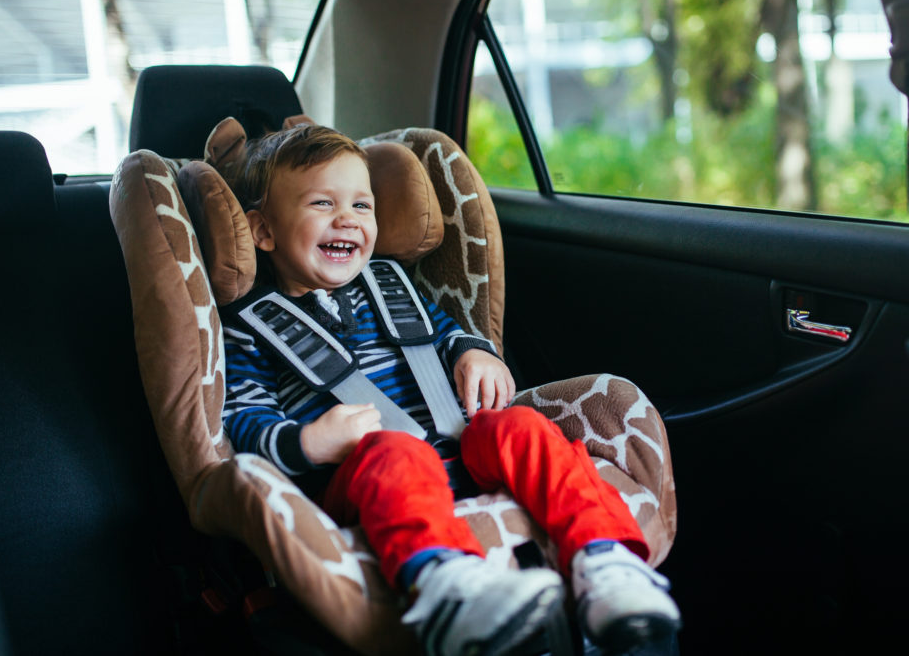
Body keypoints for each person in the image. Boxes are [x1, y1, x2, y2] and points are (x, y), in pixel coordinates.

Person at [221, 124, 680, 656]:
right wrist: (308, 443)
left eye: (362, 206)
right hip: (362, 475)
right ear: (263, 231)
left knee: (518, 426)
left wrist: (472, 351)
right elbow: (244, 418)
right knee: (395, 451)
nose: (347, 219)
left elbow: (442, 332)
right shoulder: (249, 325)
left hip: (457, 442)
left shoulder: (391, 282)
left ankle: (605, 560)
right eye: (322, 203)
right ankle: (450, 591)